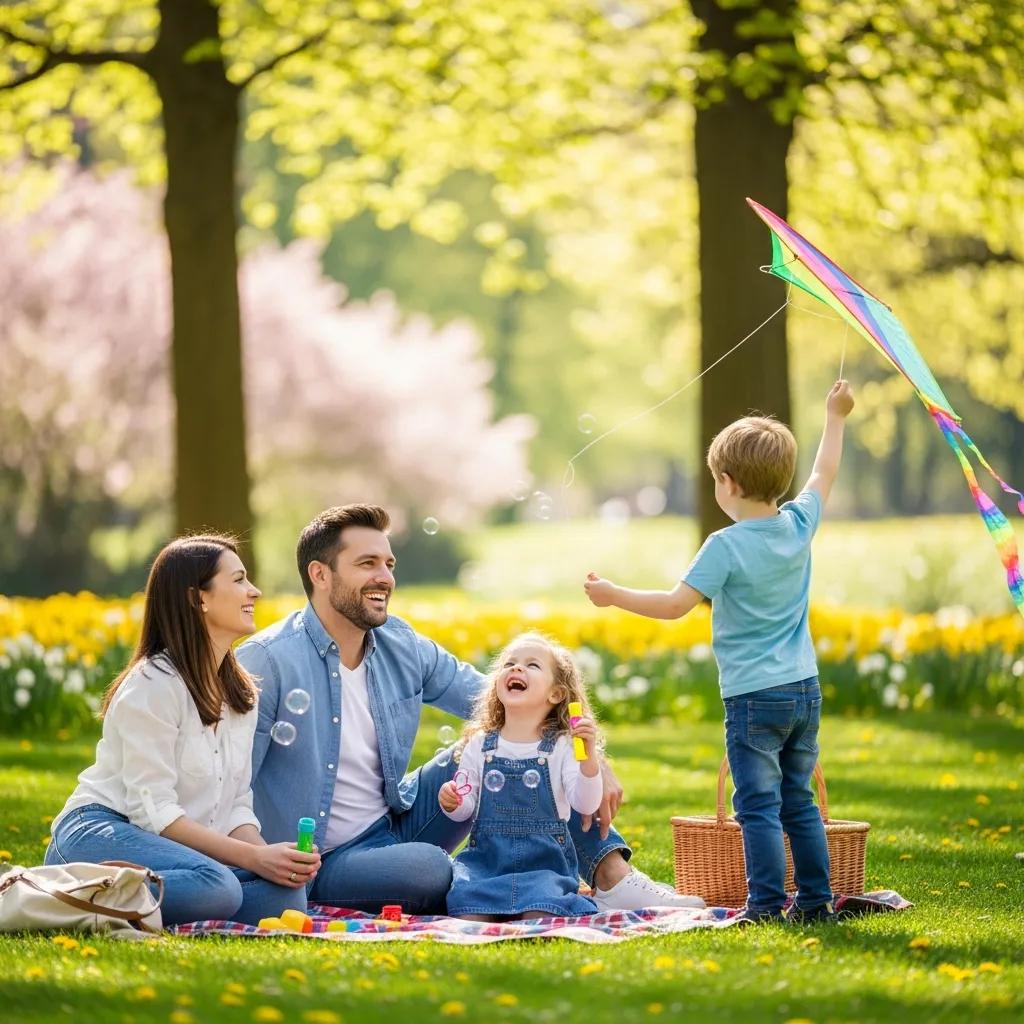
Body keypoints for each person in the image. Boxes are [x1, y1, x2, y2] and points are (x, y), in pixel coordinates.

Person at [238, 504, 701, 916]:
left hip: (401, 816)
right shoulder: (270, 660)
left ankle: (612, 877)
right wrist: (263, 863)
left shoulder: (399, 642)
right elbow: (231, 784)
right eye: (367, 563)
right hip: (325, 855)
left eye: (388, 564)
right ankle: (499, 882)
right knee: (429, 871)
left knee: (514, 748)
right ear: (320, 574)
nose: (385, 577)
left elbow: (506, 700)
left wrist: (589, 756)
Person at [585, 381, 855, 923]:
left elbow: (672, 605)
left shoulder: (725, 546)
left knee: (756, 807)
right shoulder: (799, 523)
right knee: (798, 802)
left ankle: (764, 906)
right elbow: (824, 471)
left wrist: (613, 596)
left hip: (754, 698)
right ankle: (816, 903)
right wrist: (835, 415)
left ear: (727, 484)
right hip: (804, 690)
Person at [44, 535, 321, 927]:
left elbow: (237, 804)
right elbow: (153, 813)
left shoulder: (241, 693)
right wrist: (251, 860)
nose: (254, 591)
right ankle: (64, 892)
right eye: (239, 580)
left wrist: (270, 860)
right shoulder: (153, 685)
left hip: (170, 849)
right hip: (101, 829)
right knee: (217, 887)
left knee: (285, 895)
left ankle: (130, 899)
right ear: (198, 598)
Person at [439, 632, 602, 919]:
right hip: (486, 866)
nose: (516, 668)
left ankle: (536, 909)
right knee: (469, 914)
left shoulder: (562, 746)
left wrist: (589, 759)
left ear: (556, 694)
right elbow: (464, 808)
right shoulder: (480, 745)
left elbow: (585, 805)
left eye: (532, 665)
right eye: (509, 663)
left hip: (544, 869)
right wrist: (452, 802)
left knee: (540, 914)